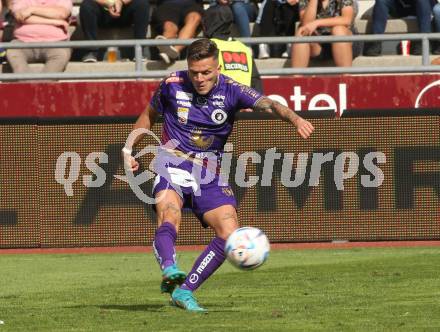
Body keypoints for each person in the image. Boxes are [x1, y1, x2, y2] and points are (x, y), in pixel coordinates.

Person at [122, 38, 314, 312]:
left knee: (230, 232)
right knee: (169, 213)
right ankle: (169, 268)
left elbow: (269, 104)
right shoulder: (171, 84)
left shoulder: (232, 90)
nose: (199, 78)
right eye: (194, 72)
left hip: (209, 170)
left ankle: (185, 291)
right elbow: (148, 116)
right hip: (171, 162)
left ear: (218, 67)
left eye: (206, 72)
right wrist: (129, 149)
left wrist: (295, 119)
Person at [202, 4, 262, 91]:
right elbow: (255, 81)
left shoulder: (208, 47)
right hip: (244, 101)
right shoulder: (243, 48)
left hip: (219, 101)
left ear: (208, 23)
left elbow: (201, 80)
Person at [6, 0, 72, 73]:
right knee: (13, 51)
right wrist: (56, 22)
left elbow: (61, 13)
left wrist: (31, 9)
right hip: (23, 42)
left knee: (61, 54)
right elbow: (20, 16)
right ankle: (26, 83)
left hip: (56, 42)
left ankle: (44, 84)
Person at [291, 0, 361, 68]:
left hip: (346, 42)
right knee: (302, 32)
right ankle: (297, 79)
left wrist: (317, 22)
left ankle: (345, 78)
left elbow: (346, 20)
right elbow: (306, 24)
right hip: (319, 45)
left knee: (338, 30)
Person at [79, 0, 150, 62]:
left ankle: (139, 51)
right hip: (101, 11)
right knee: (86, 5)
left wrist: (121, 2)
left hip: (125, 10)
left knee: (142, 3)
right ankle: (91, 51)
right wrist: (107, 3)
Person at [363, 0, 436, 56]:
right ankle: (375, 43)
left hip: (421, 5)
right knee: (381, 1)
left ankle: (423, 42)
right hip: (399, 5)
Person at [151, 0, 204, 64]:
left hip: (192, 5)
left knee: (194, 18)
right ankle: (170, 53)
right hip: (167, 5)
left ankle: (174, 51)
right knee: (169, 26)